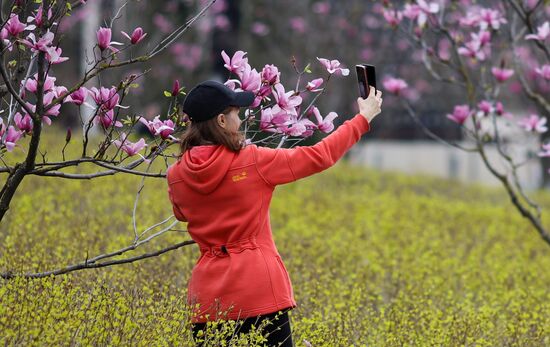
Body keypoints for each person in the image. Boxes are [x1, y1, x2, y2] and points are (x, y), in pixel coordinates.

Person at [166, 80, 382, 346]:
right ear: (221, 120)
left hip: (208, 300)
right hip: (258, 291)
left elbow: (181, 214)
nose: (241, 120)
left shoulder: (176, 175)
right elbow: (319, 156)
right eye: (236, 114)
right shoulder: (253, 160)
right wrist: (362, 119)